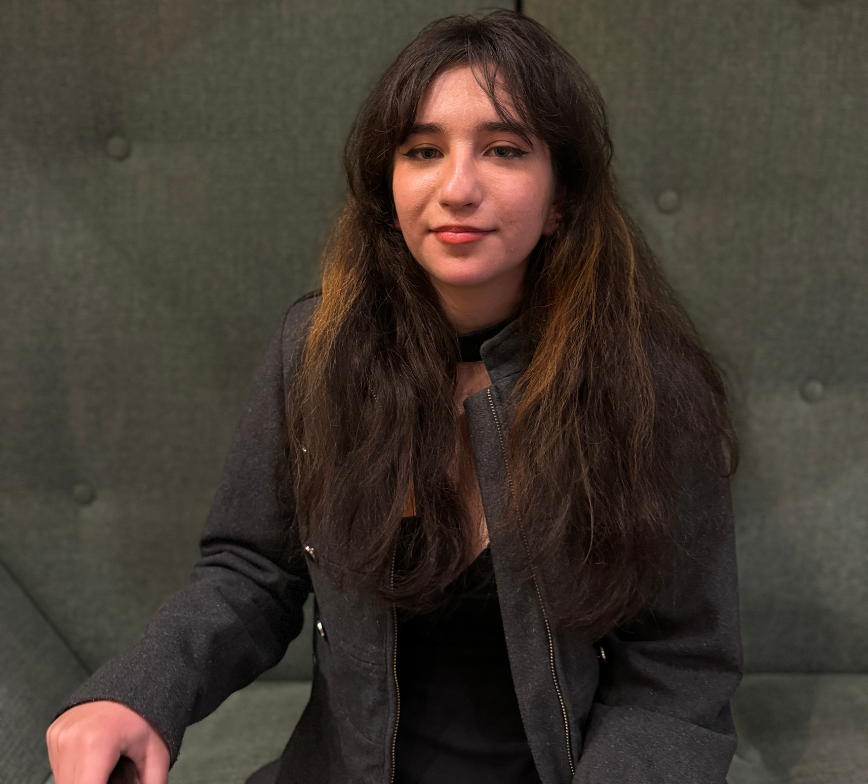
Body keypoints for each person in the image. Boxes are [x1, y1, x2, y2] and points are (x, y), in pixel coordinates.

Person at [46, 10, 743, 784]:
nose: (458, 187)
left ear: (561, 200)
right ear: (388, 186)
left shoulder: (653, 386)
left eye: (505, 150)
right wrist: (137, 693)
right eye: (423, 151)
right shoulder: (314, 352)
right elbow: (253, 572)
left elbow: (682, 669)